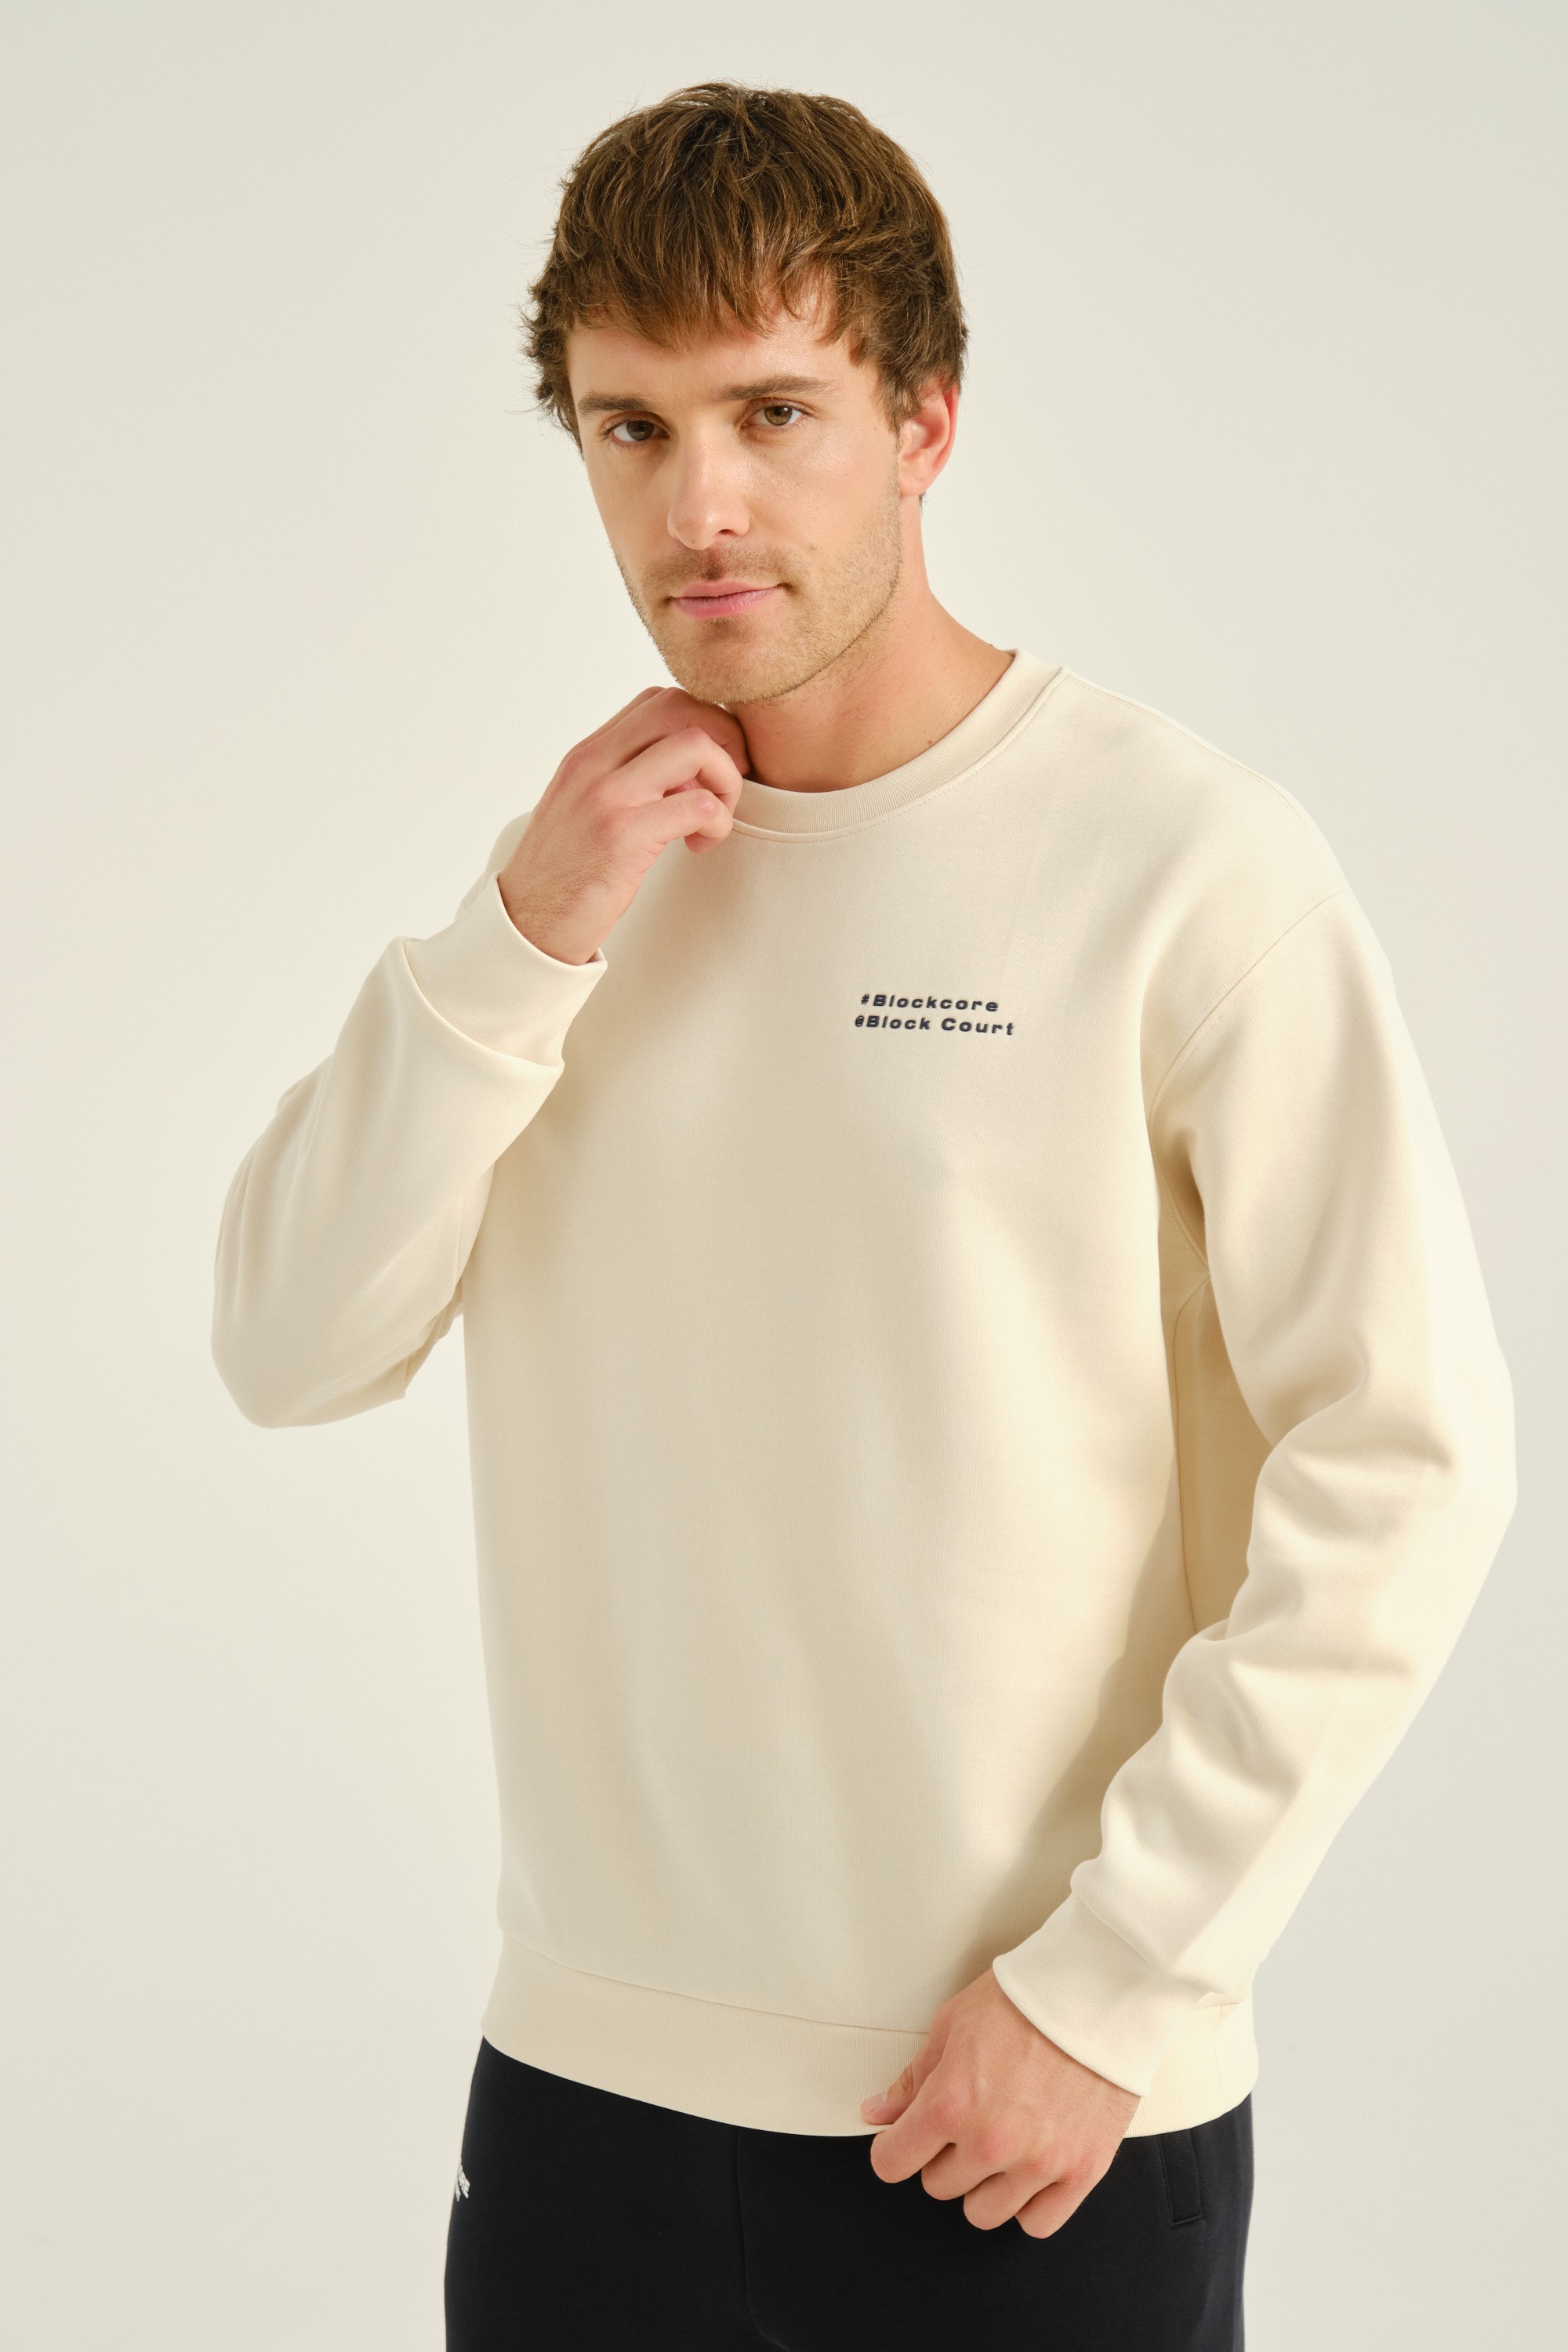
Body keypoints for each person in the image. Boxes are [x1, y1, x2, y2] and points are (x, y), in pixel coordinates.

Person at [211, 81, 1517, 2352]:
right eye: (630, 429)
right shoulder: (572, 891)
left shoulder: (1182, 866)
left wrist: (1116, 1982)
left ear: (925, 420)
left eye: (773, 414)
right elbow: (288, 1343)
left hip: (1020, 2121)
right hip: (586, 2106)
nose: (697, 508)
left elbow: (1412, 1458)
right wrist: (521, 937)